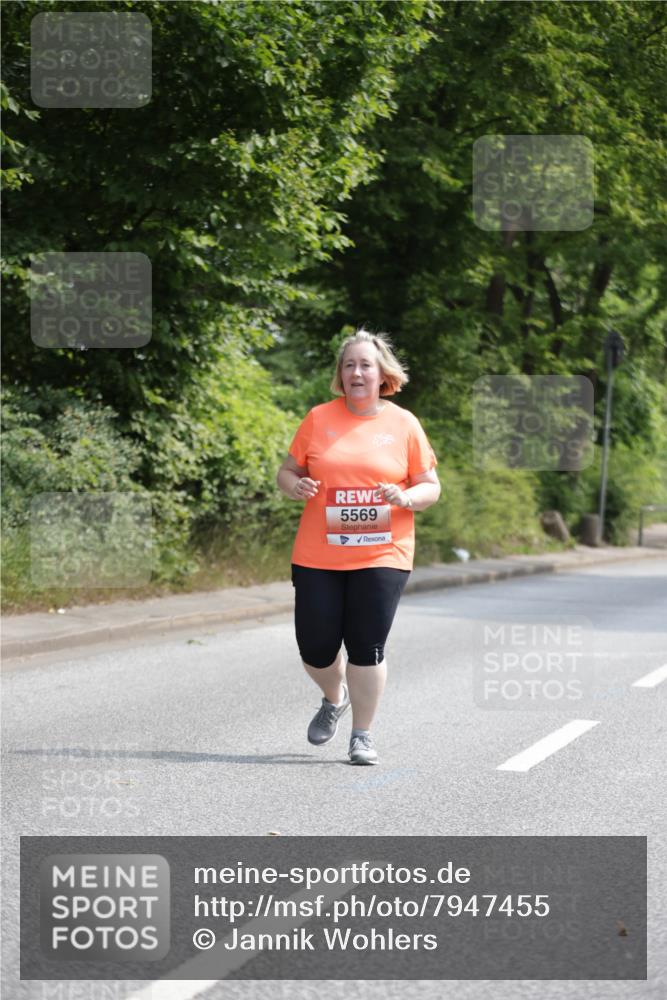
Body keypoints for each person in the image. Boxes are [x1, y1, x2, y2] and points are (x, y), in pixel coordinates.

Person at [276, 328, 441, 765]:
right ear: (340, 374)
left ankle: (362, 736)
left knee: (366, 646)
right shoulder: (318, 418)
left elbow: (430, 486)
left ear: (382, 373)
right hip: (318, 554)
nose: (356, 372)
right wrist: (296, 486)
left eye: (365, 364)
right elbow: (286, 472)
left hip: (382, 552)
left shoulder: (403, 423)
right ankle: (335, 696)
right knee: (315, 646)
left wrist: (406, 498)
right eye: (349, 365)